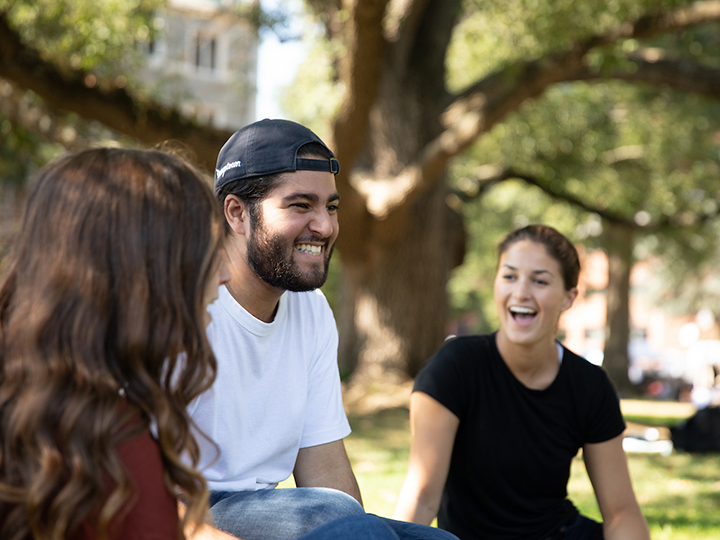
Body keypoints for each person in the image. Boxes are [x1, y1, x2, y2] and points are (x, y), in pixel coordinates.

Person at [187, 119, 456, 540]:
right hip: (190, 512)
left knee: (438, 539)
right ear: (237, 213)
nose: (326, 227)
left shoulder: (311, 310)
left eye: (331, 207)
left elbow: (326, 468)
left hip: (279, 512)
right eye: (300, 206)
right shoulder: (179, 303)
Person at [0, 148, 230, 540]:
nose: (225, 273)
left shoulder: (34, 392)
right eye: (207, 251)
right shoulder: (108, 435)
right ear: (147, 273)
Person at [393, 225, 651, 540]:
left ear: (569, 297)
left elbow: (621, 511)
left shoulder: (589, 385)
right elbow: (421, 496)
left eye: (540, 281)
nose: (521, 293)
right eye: (509, 276)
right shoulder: (455, 366)